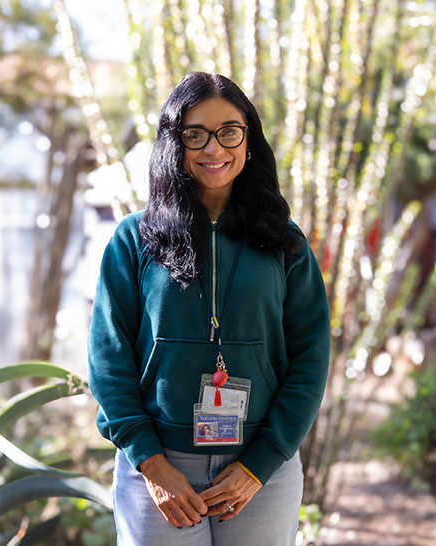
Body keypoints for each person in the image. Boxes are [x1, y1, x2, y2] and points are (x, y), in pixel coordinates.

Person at [88, 71, 330, 546]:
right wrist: (152, 465)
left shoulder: (285, 242)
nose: (213, 148)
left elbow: (311, 357)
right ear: (172, 143)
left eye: (229, 132)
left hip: (261, 472)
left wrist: (259, 464)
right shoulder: (134, 238)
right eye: (194, 134)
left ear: (249, 140)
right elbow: (108, 359)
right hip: (157, 469)